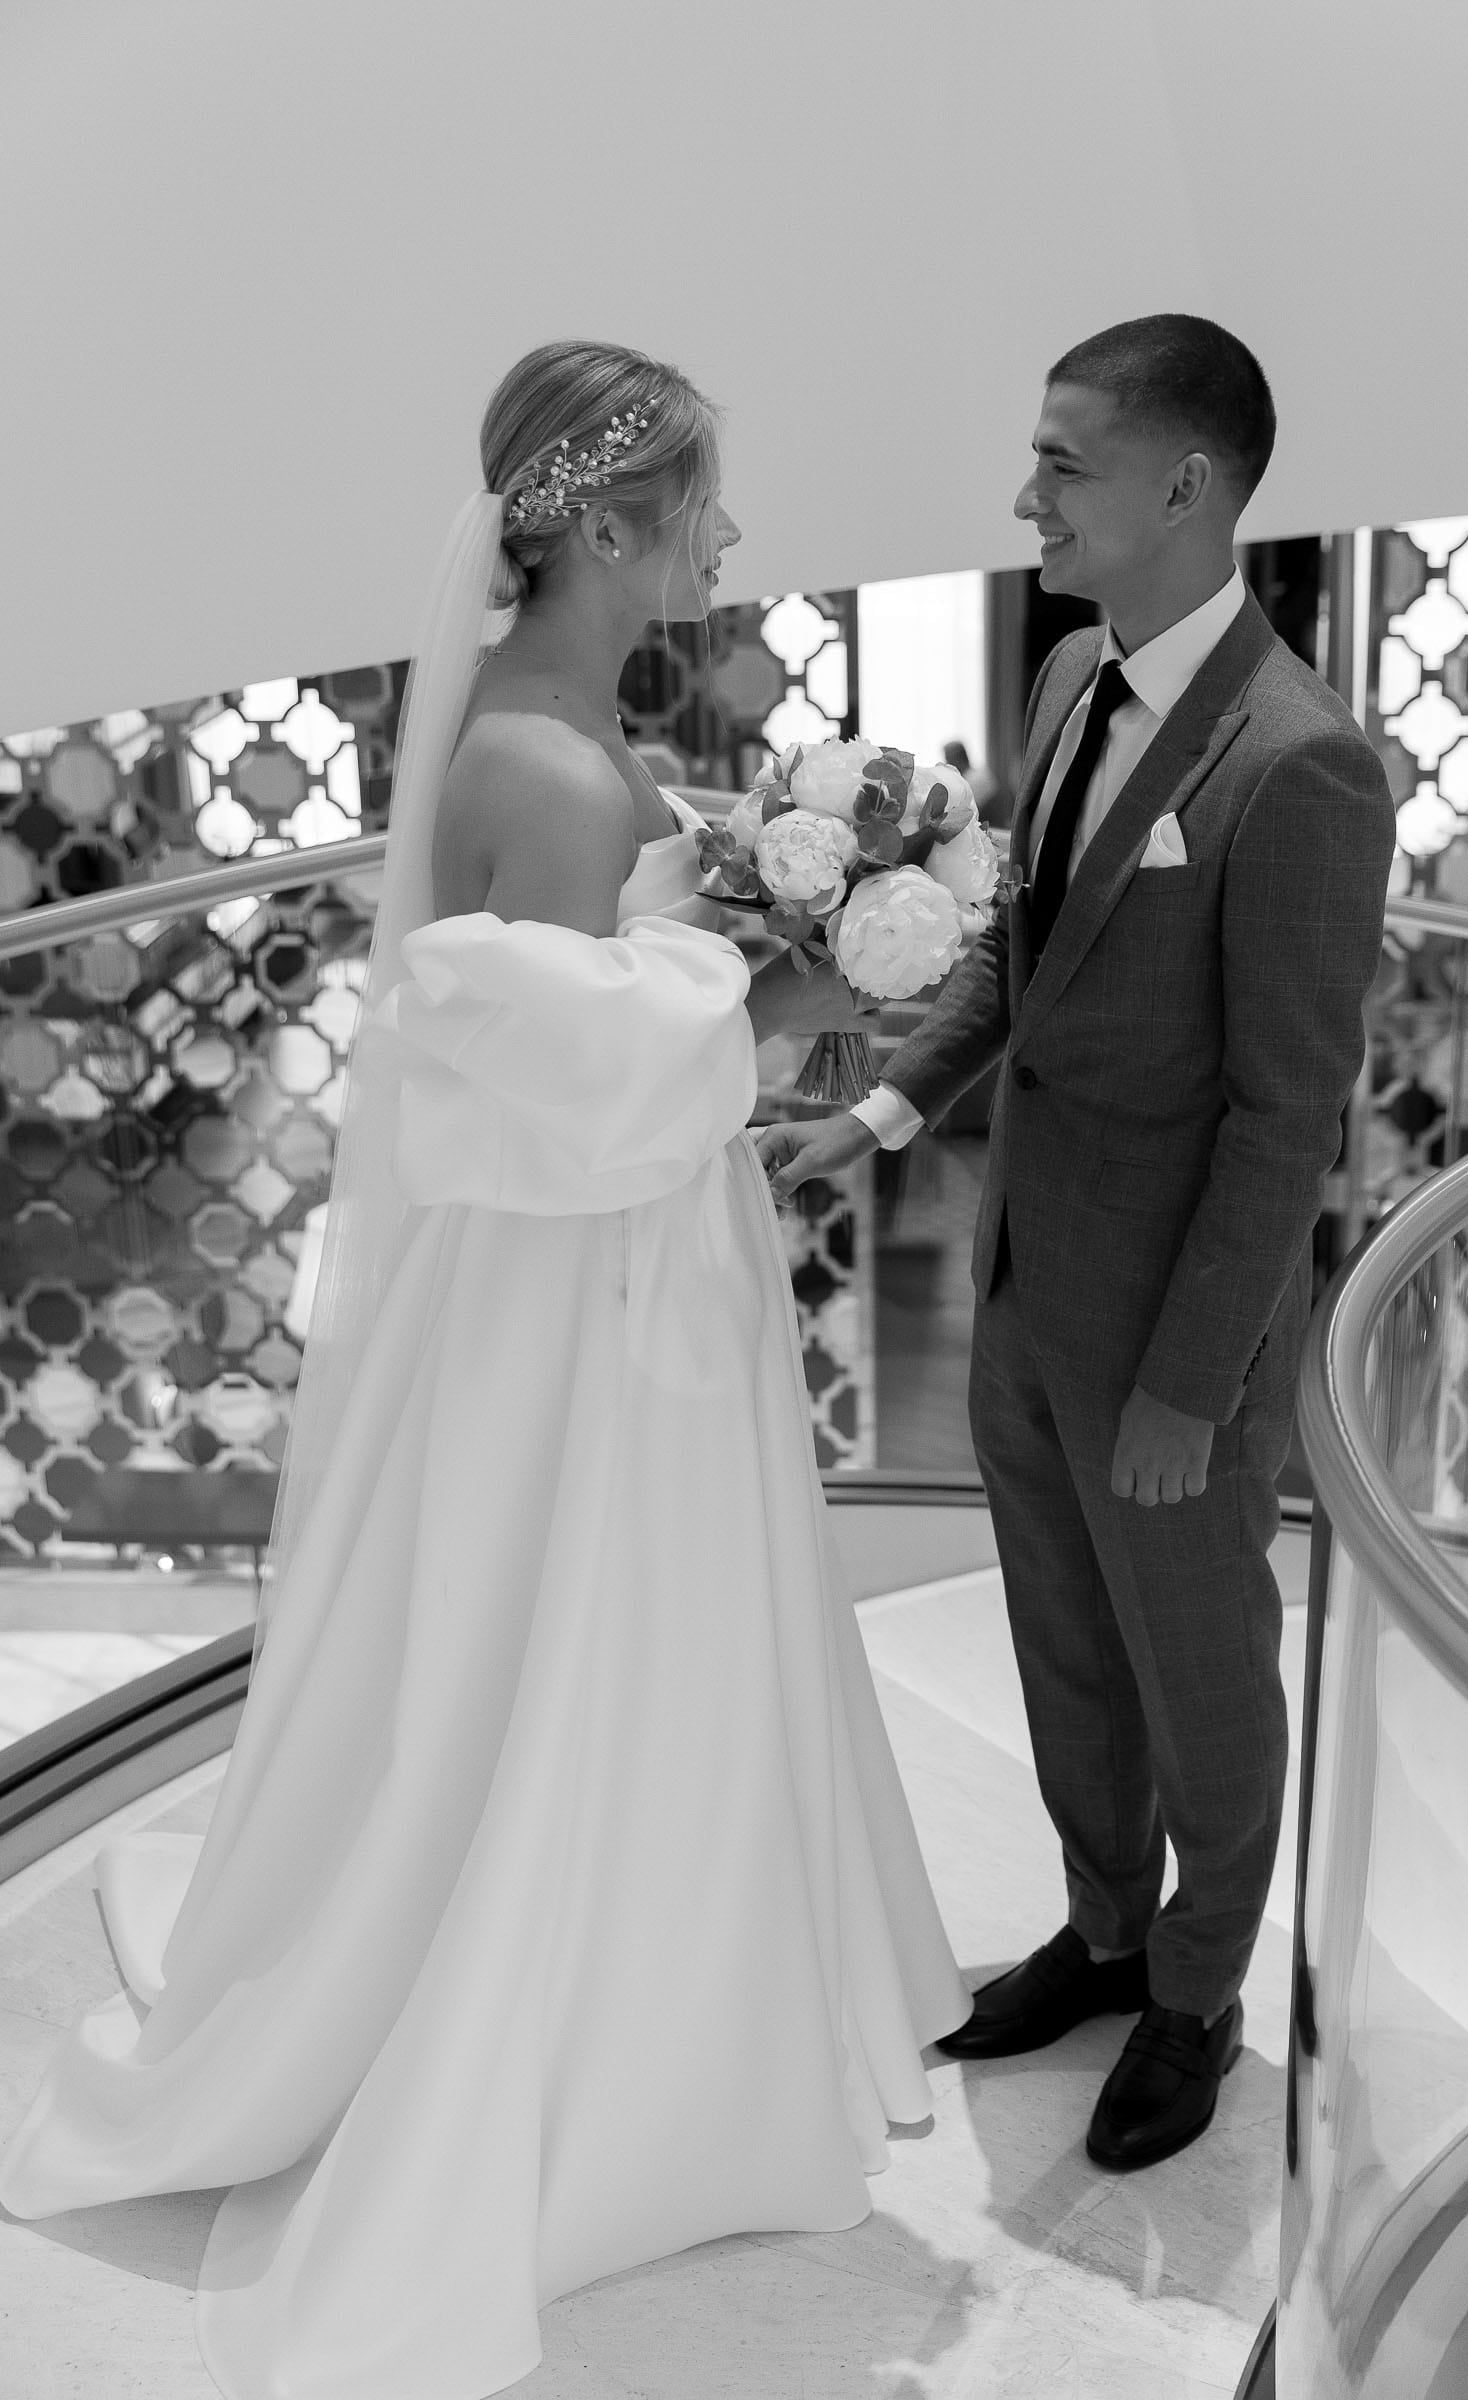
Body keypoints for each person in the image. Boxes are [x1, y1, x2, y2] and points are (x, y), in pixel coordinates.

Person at [0, 339, 970, 2397]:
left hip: (631, 1266)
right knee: (586, 1649)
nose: (727, 537)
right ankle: (599, 2044)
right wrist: (788, 984)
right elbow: (550, 1069)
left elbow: (609, 1017)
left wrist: (757, 966)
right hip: (585, 1305)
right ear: (607, 523)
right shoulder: (534, 763)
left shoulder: (570, 730)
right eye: (704, 502)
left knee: (622, 1647)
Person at [758, 314, 1395, 2172]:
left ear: (1185, 486)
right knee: (1062, 1644)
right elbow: (1023, 965)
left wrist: (1195, 1388)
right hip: (1030, 1282)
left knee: (1203, 1674)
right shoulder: (1062, 677)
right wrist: (874, 1114)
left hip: (1178, 1331)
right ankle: (1107, 1931)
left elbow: (1289, 1116)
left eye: (1061, 461)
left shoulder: (1302, 766)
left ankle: (1198, 1992)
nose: (1024, 494)